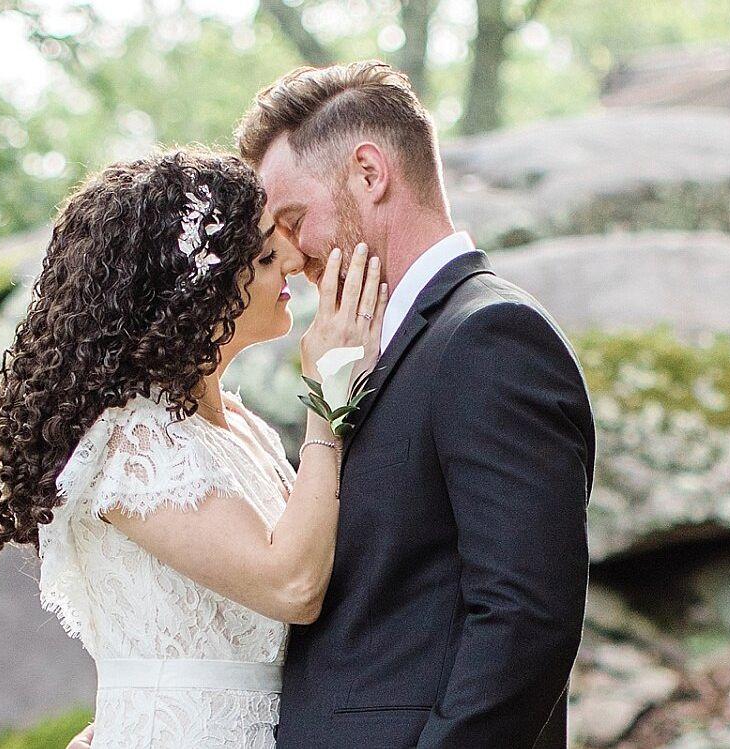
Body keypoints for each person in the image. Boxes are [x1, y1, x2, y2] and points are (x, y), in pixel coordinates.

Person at [0, 149, 386, 748]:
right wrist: (329, 398)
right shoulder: (133, 441)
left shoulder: (244, 427)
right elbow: (291, 586)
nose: (295, 261)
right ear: (196, 296)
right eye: (264, 256)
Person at [235, 60, 595, 748]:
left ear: (369, 173)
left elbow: (526, 618)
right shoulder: (371, 350)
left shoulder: (491, 337)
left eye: (293, 218)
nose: (291, 255)